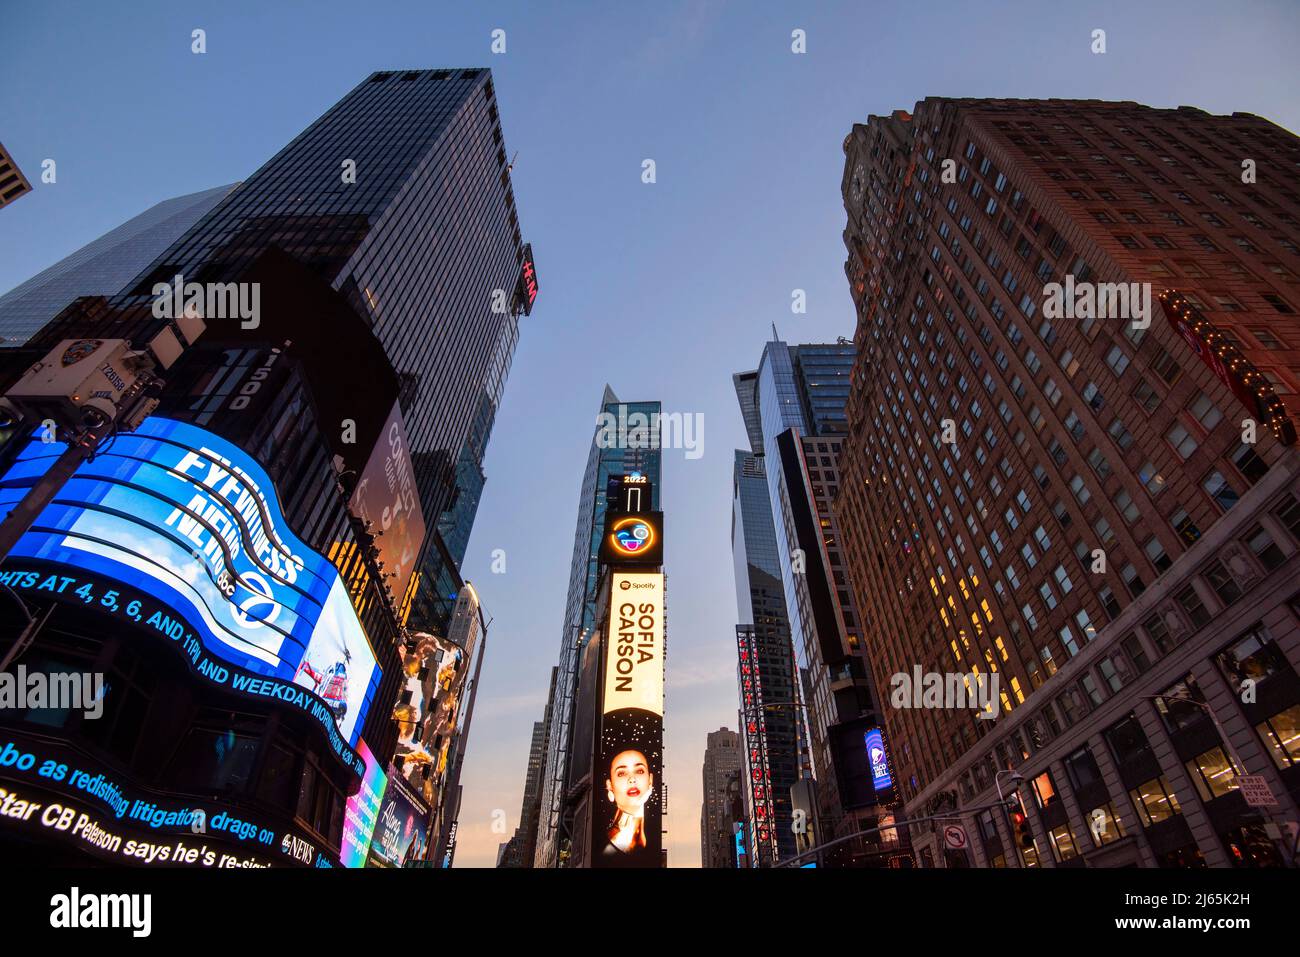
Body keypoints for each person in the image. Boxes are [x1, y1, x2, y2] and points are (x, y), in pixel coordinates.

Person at [602, 748, 654, 861]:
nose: (632, 779)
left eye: (639, 771)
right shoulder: (607, 848)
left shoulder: (652, 841)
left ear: (650, 780)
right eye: (621, 773)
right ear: (610, 786)